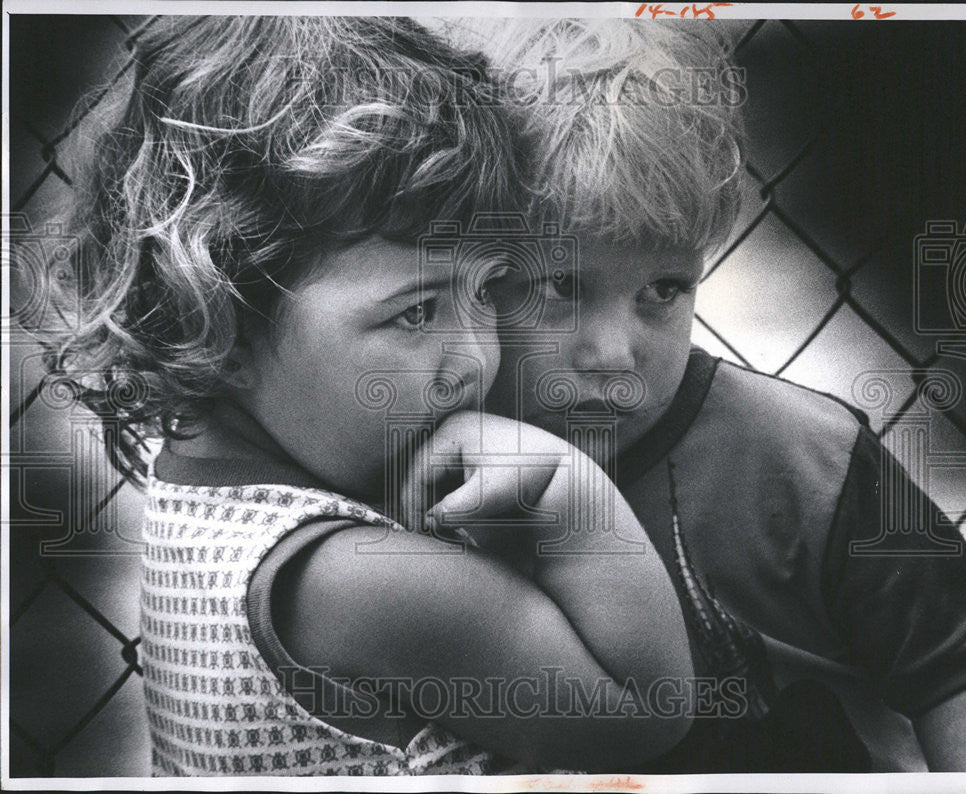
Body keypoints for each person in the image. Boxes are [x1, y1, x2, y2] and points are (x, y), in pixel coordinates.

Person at [34, 16, 695, 776]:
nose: (474, 361)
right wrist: (567, 491)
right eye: (416, 311)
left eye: (486, 291)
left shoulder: (196, 503)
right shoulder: (359, 581)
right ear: (221, 325)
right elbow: (642, 714)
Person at [445, 18, 966, 772]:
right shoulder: (412, 448)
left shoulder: (804, 458)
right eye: (562, 287)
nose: (615, 355)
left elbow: (964, 670)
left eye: (663, 290)